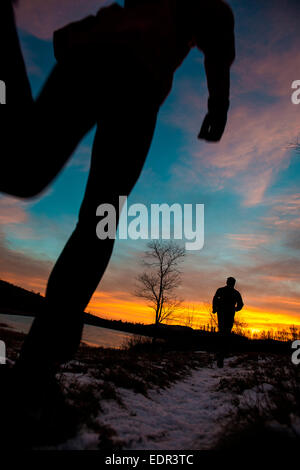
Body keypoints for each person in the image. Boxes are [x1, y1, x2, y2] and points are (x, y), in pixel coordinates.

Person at [1, 0, 235, 380]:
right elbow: (217, 25)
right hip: (112, 68)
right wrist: (219, 106)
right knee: (77, 207)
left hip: (119, 77)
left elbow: (215, 26)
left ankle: (37, 368)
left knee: (76, 207)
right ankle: (38, 367)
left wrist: (218, 104)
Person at [212, 277, 244, 367]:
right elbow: (215, 299)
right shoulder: (233, 292)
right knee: (224, 333)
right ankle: (221, 353)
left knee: (224, 332)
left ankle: (221, 353)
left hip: (225, 314)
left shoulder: (224, 291)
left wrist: (215, 308)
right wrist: (215, 308)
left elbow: (240, 304)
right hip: (225, 314)